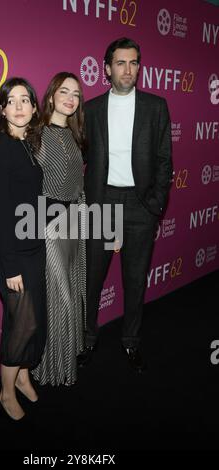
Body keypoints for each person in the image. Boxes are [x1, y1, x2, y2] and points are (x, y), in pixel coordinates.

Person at [78, 38, 173, 372]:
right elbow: (77, 158)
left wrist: (155, 204)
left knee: (135, 279)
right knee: (93, 279)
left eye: (134, 63)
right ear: (107, 68)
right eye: (121, 63)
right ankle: (87, 340)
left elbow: (164, 160)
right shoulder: (89, 109)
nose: (128, 70)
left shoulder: (155, 106)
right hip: (103, 203)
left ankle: (131, 342)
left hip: (139, 204)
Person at [0, 77, 46, 420]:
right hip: (12, 252)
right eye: (12, 100)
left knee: (33, 322)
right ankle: (6, 393)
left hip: (33, 245)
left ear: (35, 108)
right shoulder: (1, 149)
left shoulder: (27, 144)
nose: (20, 106)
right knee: (20, 324)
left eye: (26, 100)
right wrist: (11, 269)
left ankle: (22, 376)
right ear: (2, 109)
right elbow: (3, 215)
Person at [31, 72, 86, 386]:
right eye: (64, 91)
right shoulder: (35, 134)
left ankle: (65, 360)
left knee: (71, 292)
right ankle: (51, 367)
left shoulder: (75, 134)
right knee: (60, 298)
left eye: (76, 94)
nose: (70, 98)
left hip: (75, 223)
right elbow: (24, 182)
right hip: (48, 226)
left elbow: (77, 184)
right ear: (51, 95)